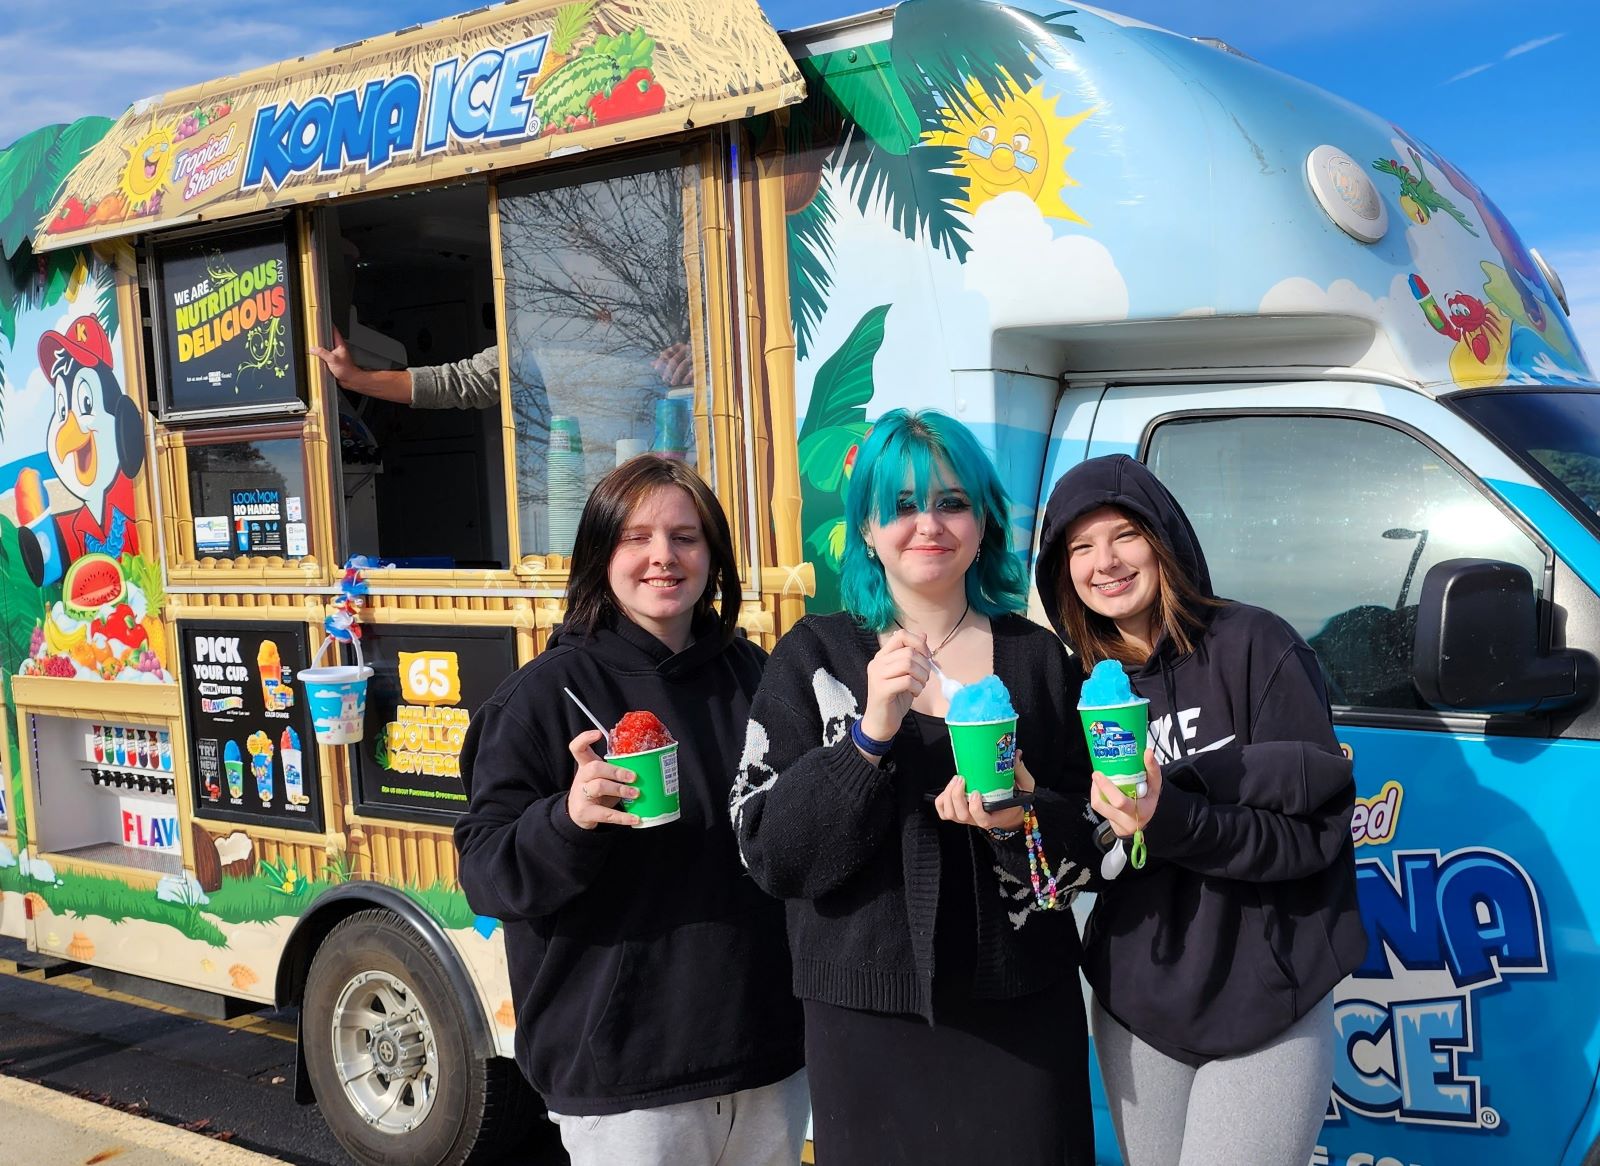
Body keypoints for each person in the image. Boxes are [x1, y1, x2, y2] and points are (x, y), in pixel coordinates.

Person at [730, 409, 1099, 1165]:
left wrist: (1016, 822)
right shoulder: (816, 657)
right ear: (867, 530)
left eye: (951, 502)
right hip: (867, 1024)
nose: (927, 523)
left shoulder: (1039, 661)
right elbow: (770, 854)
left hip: (1023, 1013)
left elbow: (1089, 851)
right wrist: (868, 737)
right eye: (900, 506)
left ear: (982, 521)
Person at [453, 456, 807, 1166]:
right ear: (599, 554)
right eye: (636, 537)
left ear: (713, 556)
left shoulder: (757, 674)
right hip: (625, 1069)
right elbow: (486, 874)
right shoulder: (545, 695)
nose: (662, 557)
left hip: (768, 1051)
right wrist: (570, 817)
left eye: (685, 537)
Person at [1034, 453, 1367, 1166]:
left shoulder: (1256, 645)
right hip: (1139, 1013)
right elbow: (1082, 856)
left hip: (1268, 1003)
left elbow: (1311, 839)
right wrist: (1027, 813)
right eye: (1080, 547)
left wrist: (1173, 817)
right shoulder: (1076, 691)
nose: (1105, 562)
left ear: (1164, 538)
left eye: (1123, 535)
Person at [310, 328, 695, 407]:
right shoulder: (539, 334)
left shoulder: (668, 308)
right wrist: (357, 379)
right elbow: (464, 382)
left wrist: (708, 359)